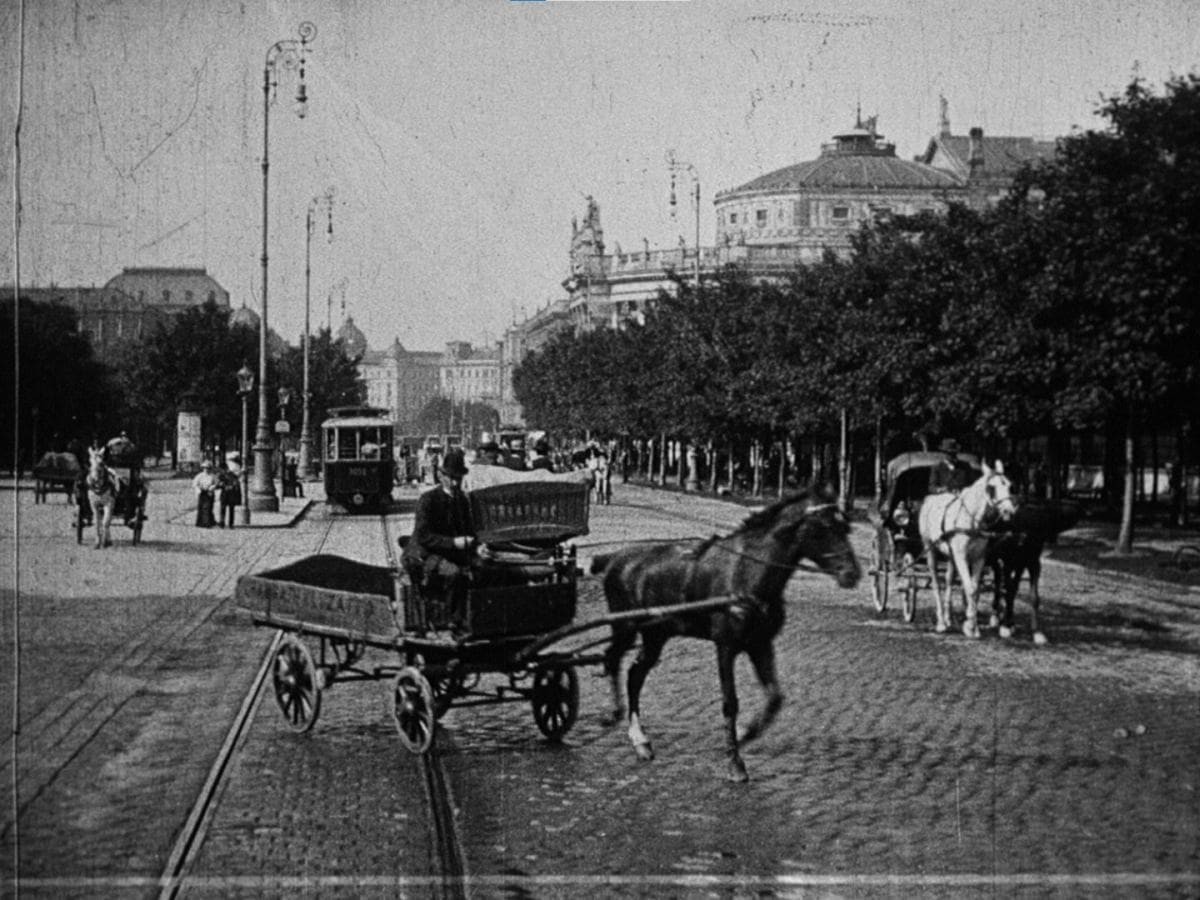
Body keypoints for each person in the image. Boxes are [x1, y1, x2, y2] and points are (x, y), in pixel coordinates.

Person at [401, 449, 489, 631]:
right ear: (441, 476)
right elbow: (424, 536)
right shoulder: (428, 500)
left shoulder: (462, 500)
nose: (456, 483)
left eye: (459, 478)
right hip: (425, 554)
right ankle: (451, 621)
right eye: (452, 478)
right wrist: (454, 543)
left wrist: (477, 547)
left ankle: (476, 617)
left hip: (451, 552)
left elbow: (469, 530)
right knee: (453, 573)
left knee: (484, 569)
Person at [218, 453, 242, 528]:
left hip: (231, 492)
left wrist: (232, 486)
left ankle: (229, 523)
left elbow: (236, 482)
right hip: (226, 491)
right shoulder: (223, 472)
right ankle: (223, 522)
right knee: (224, 507)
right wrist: (223, 485)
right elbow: (219, 481)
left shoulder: (235, 473)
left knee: (230, 508)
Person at [193, 460, 218, 528]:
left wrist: (212, 487)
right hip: (202, 493)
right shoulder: (199, 476)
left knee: (208, 508)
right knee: (201, 507)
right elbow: (195, 484)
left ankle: (207, 523)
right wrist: (198, 489)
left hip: (209, 493)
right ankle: (200, 523)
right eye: (205, 468)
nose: (206, 469)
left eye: (208, 468)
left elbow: (216, 483)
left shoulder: (213, 476)